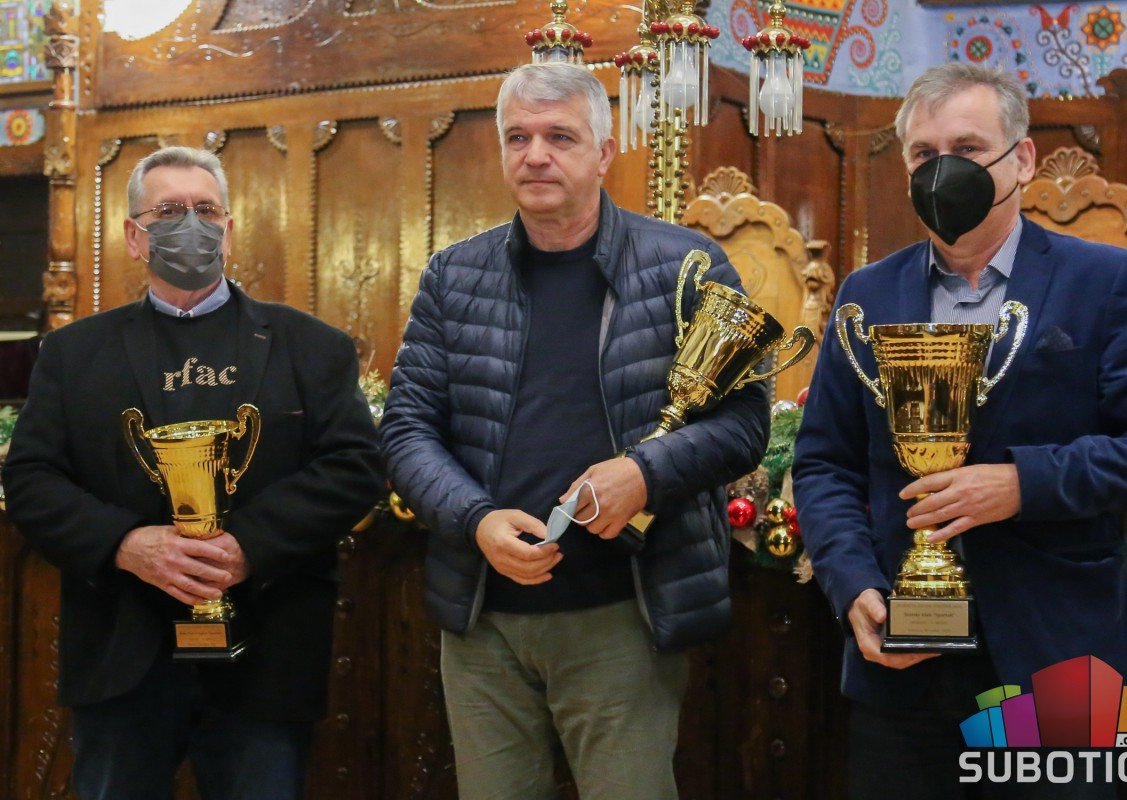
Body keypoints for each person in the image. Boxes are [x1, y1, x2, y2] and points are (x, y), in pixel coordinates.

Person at [792, 62, 1127, 799]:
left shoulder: (1110, 282)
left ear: (1022, 160)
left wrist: (1022, 483)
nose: (942, 169)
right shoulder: (866, 294)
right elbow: (825, 463)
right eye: (923, 153)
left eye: (968, 148)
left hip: (1060, 655)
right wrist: (853, 587)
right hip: (904, 663)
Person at [381, 63, 769, 800]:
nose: (535, 155)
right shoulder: (452, 277)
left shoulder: (687, 266)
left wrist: (645, 474)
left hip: (624, 613)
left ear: (604, 152)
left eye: (560, 137)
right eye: (517, 137)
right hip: (485, 617)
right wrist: (476, 517)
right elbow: (407, 429)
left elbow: (744, 421)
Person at [3, 146, 385, 800]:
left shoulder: (311, 347)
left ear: (229, 232)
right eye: (168, 211)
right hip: (122, 650)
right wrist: (127, 544)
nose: (190, 225)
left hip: (265, 652)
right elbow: (32, 479)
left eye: (205, 210)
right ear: (134, 236)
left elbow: (356, 467)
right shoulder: (72, 354)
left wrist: (247, 546)